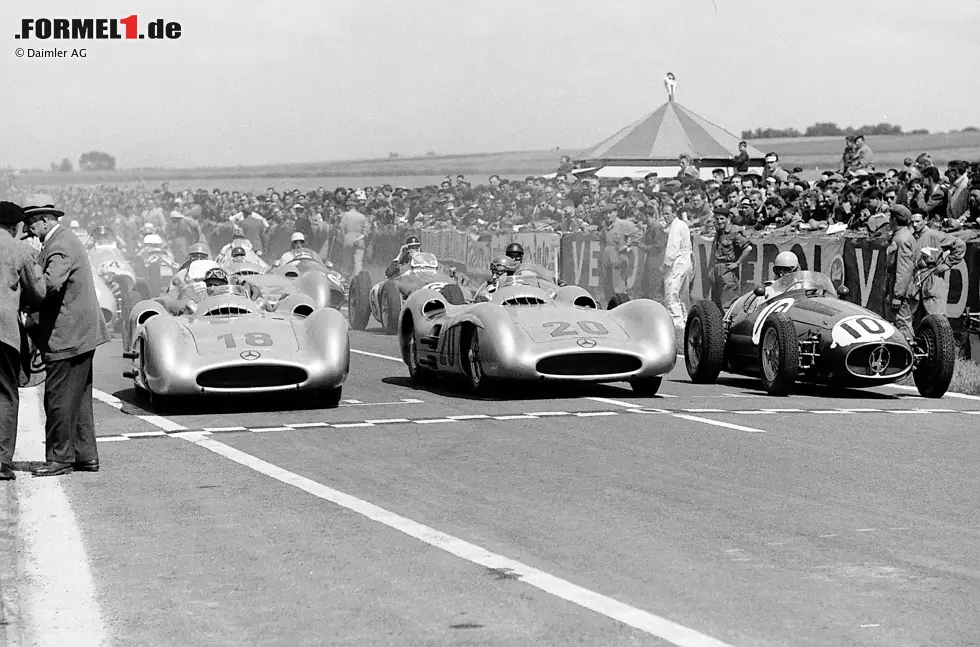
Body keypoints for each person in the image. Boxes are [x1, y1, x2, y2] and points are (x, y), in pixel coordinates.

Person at [23, 198, 110, 477]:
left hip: (68, 335)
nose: (28, 227)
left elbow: (49, 284)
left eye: (31, 222)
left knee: (58, 397)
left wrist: (24, 295)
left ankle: (58, 458)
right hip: (82, 332)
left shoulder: (58, 245)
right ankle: (85, 456)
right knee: (79, 399)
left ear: (45, 220)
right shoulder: (66, 239)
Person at [0, 202, 46, 481]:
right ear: (17, 227)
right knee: (5, 393)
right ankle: (1, 461)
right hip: (3, 332)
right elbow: (38, 292)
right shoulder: (20, 249)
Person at [893, 211, 967, 335]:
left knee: (938, 322)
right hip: (914, 281)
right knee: (908, 322)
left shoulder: (936, 235)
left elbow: (960, 245)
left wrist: (947, 264)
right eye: (912, 222)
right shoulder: (910, 236)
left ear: (925, 220)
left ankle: (942, 352)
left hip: (932, 279)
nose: (915, 225)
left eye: (918, 221)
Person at [708, 209, 752, 310]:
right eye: (717, 219)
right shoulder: (719, 232)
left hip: (728, 270)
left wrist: (737, 263)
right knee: (715, 302)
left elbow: (748, 248)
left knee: (728, 303)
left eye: (722, 219)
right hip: (716, 269)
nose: (719, 221)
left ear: (728, 219)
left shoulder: (734, 231)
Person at [884, 206, 916, 335]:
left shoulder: (903, 239)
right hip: (893, 284)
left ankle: (909, 352)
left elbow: (904, 270)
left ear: (893, 219)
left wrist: (898, 296)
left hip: (899, 289)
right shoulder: (899, 236)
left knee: (901, 323)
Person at [662, 203, 693, 328]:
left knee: (672, 292)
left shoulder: (676, 226)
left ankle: (677, 323)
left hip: (678, 262)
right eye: (663, 214)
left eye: (667, 214)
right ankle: (685, 319)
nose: (665, 216)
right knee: (682, 294)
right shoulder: (681, 224)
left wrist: (666, 264)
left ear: (674, 213)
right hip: (685, 261)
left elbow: (672, 248)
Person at [599, 204, 639, 301]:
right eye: (605, 213)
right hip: (607, 257)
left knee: (619, 286)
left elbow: (638, 234)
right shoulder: (605, 226)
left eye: (610, 213)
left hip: (619, 256)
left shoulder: (623, 224)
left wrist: (628, 245)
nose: (608, 216)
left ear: (616, 213)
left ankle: (622, 307)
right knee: (607, 285)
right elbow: (602, 239)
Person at [337, 196, 370, 275]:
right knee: (358, 261)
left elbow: (342, 228)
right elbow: (367, 231)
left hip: (348, 238)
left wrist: (342, 239)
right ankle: (358, 278)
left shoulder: (346, 215)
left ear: (349, 206)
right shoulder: (362, 216)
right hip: (360, 238)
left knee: (346, 260)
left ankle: (344, 277)